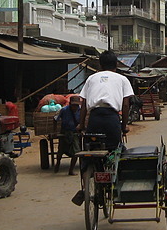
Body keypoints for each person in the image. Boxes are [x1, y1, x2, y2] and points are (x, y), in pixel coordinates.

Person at [72, 50, 134, 205]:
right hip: (112, 119)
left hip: (94, 120)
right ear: (116, 65)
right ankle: (114, 183)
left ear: (100, 64)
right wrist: (124, 126)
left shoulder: (91, 78)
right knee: (116, 151)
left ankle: (86, 188)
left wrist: (81, 125)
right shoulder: (122, 79)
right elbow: (126, 105)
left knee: (90, 153)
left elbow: (84, 104)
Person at [54, 96, 81, 175]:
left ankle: (71, 170)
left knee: (76, 151)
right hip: (65, 132)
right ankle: (58, 163)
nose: (74, 107)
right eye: (73, 105)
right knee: (61, 150)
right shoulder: (64, 110)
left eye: (76, 105)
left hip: (74, 132)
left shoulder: (80, 110)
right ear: (70, 104)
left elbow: (83, 120)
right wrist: (55, 131)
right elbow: (55, 119)